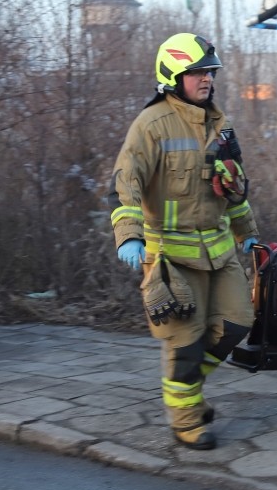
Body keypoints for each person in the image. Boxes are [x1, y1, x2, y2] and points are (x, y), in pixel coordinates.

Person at [110, 33, 261, 450]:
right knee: (186, 342)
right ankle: (186, 420)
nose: (206, 78)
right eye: (197, 72)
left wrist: (247, 234)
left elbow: (233, 189)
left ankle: (189, 389)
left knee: (237, 323)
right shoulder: (151, 125)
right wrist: (129, 235)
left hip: (218, 250)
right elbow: (126, 184)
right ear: (173, 76)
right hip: (170, 258)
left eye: (209, 71)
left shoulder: (221, 124)